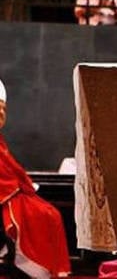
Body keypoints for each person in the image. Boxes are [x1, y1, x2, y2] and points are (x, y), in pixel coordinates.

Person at [0, 79, 71, 278]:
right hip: (8, 199)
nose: (2, 117)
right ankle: (34, 265)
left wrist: (24, 185)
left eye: (3, 110)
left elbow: (11, 169)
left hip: (15, 193)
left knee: (51, 213)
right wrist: (21, 187)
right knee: (46, 215)